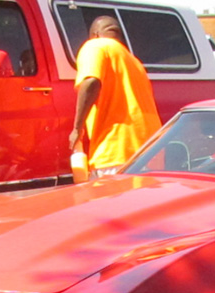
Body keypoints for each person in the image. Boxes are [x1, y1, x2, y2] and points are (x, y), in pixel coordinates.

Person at [69, 16, 161, 179]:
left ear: (95, 34)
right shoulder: (135, 63)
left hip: (116, 152)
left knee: (108, 204)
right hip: (150, 154)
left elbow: (91, 81)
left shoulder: (96, 46)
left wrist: (77, 128)